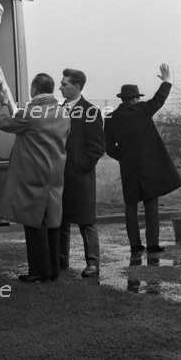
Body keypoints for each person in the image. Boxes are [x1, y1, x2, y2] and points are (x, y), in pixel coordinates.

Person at [0, 73, 70, 282]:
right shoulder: (64, 113)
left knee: (34, 223)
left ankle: (39, 271)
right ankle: (53, 269)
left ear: (34, 89)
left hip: (34, 173)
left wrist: (3, 104)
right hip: (55, 174)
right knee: (53, 224)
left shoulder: (31, 113)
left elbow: (4, 123)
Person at [104, 64, 181, 253]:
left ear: (122, 99)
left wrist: (124, 157)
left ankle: (134, 245)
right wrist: (167, 80)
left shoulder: (111, 118)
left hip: (128, 167)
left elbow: (108, 148)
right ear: (136, 98)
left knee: (131, 205)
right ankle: (153, 244)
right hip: (149, 165)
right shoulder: (143, 110)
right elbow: (160, 98)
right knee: (151, 204)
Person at [58, 69, 105, 277]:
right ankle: (60, 261)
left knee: (86, 220)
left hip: (80, 175)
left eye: (64, 84)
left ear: (77, 87)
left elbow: (96, 147)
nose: (60, 87)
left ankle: (93, 262)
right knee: (60, 219)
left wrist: (81, 166)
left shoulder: (91, 112)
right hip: (58, 175)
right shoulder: (57, 110)